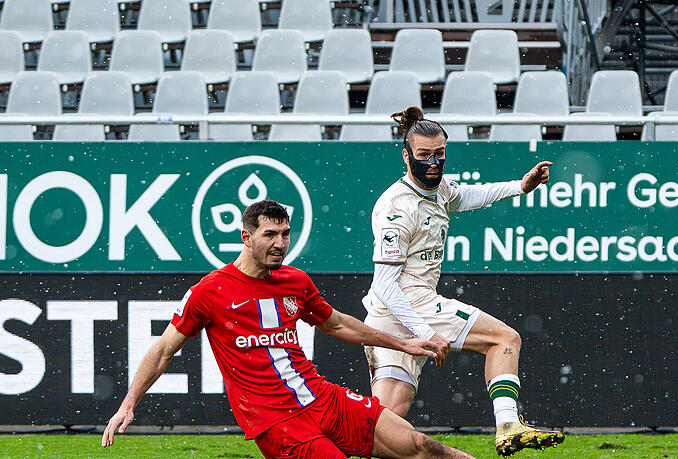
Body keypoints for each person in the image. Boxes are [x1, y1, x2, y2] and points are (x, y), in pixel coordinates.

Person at [102, 200, 474, 459]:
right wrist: (128, 403)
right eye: (269, 235)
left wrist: (403, 344)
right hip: (276, 421)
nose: (279, 244)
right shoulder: (210, 291)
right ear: (246, 237)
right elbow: (163, 350)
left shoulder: (295, 281)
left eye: (285, 234)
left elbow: (336, 323)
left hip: (322, 398)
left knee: (423, 447)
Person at [362, 106, 564, 456]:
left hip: (388, 314)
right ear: (406, 156)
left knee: (383, 424)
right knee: (504, 339)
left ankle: (319, 444)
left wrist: (519, 187)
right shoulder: (398, 208)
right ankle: (508, 425)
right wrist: (426, 332)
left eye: (439, 154)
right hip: (408, 302)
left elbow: (466, 196)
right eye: (424, 155)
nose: (433, 163)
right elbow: (385, 284)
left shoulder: (439, 189)